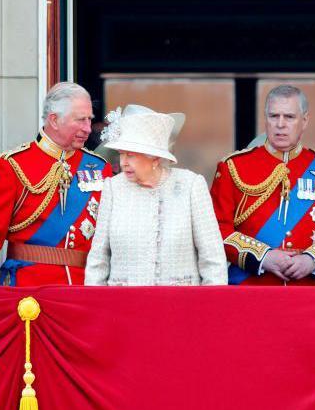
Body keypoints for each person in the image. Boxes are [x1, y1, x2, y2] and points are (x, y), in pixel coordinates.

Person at [0, 82, 113, 286]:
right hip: (29, 288)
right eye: (80, 120)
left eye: (89, 120)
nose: (88, 128)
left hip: (86, 287)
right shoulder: (12, 165)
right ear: (54, 120)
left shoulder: (99, 168)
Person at [209, 85, 315, 285]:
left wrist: (312, 260)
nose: (280, 124)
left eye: (289, 117)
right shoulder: (233, 167)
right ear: (266, 120)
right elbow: (216, 229)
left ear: (304, 120)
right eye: (274, 116)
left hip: (310, 291)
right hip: (250, 291)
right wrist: (264, 257)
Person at [84, 106, 227, 286]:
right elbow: (98, 260)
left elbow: (213, 260)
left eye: (131, 155)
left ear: (155, 158)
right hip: (123, 306)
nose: (123, 163)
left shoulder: (190, 186)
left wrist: (209, 308)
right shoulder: (113, 188)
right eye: (121, 154)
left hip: (179, 307)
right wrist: (96, 307)